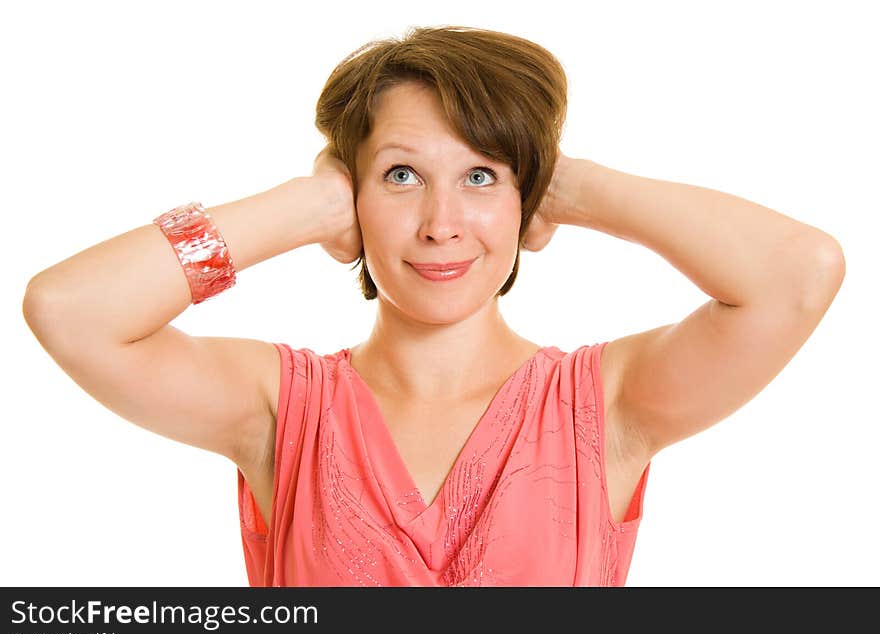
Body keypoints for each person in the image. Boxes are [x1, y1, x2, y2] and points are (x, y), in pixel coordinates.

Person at [21, 25, 845, 587]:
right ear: (355, 196)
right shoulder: (281, 410)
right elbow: (68, 309)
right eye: (402, 176)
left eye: (482, 175)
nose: (442, 224)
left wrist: (574, 186)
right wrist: (300, 207)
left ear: (525, 198)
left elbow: (800, 274)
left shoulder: (604, 405)